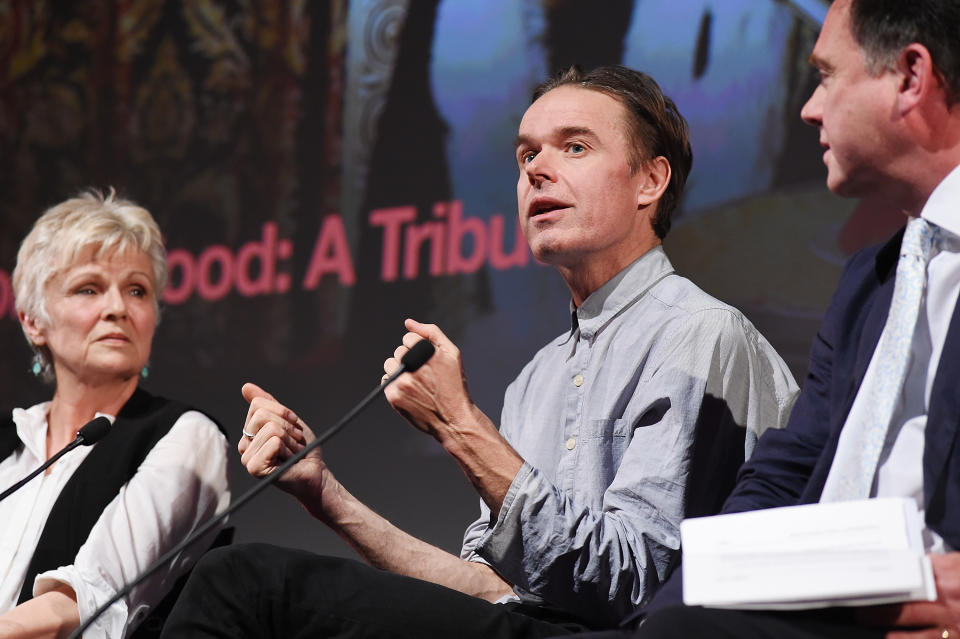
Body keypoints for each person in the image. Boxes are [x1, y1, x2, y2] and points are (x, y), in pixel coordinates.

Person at [160, 65, 798, 638]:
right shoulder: (534, 380)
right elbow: (490, 593)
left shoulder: (701, 334)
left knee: (242, 583)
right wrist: (325, 494)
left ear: (650, 180)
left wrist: (462, 428)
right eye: (525, 156)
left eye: (574, 147)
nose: (535, 171)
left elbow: (632, 590)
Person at [620, 1, 960, 637]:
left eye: (827, 75)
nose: (809, 106)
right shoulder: (870, 280)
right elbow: (786, 470)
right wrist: (690, 596)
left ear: (911, 77)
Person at [0, 190, 231, 638]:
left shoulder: (185, 437)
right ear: (32, 321)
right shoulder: (5, 442)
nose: (117, 308)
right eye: (89, 288)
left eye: (137, 291)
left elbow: (87, 595)